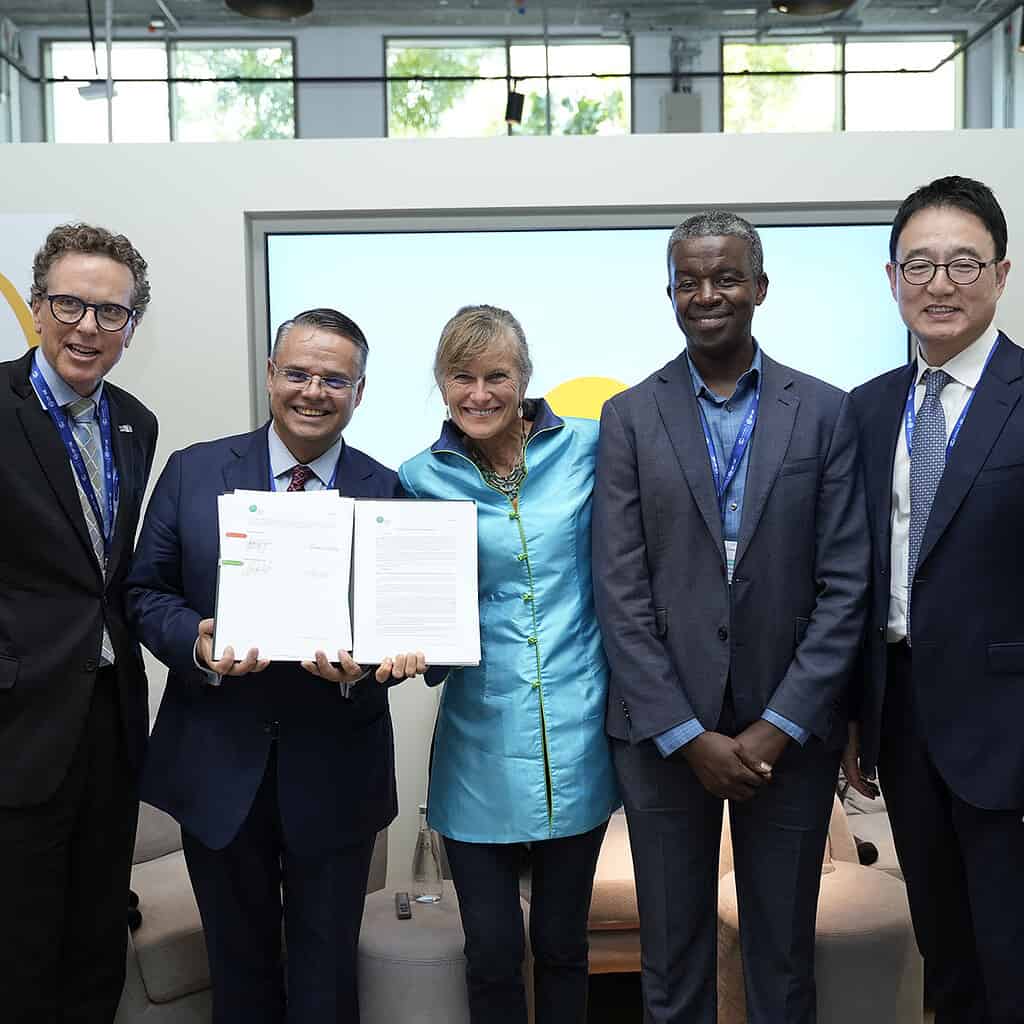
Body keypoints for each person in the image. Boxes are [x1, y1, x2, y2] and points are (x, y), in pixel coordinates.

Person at [593, 212, 869, 1024]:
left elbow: (846, 584)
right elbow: (621, 588)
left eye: (725, 277)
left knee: (783, 966)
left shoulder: (824, 411)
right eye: (689, 279)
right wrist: (685, 731)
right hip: (664, 737)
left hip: (787, 734)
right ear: (670, 290)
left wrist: (781, 723)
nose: (706, 294)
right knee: (671, 968)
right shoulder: (629, 416)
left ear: (759, 287)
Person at [125, 308, 424, 1024]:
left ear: (359, 390)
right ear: (269, 375)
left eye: (334, 378)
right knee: (239, 973)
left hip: (336, 773)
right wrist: (196, 643)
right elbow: (143, 591)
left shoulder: (388, 492)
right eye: (297, 372)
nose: (313, 390)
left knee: (326, 982)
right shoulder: (195, 471)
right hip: (216, 768)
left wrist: (366, 664)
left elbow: (406, 625)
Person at [398, 304, 619, 1024]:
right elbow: (406, 601)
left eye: (497, 375)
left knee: (561, 944)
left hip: (578, 736)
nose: (480, 393)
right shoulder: (418, 477)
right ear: (441, 383)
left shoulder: (589, 447)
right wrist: (398, 644)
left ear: (525, 379)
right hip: (476, 745)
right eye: (462, 376)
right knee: (491, 950)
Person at [844, 176, 1024, 1024]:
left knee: (1014, 962)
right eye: (920, 264)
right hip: (905, 722)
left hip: (1011, 727)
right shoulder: (868, 409)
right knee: (945, 957)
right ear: (891, 279)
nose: (940, 284)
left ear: (1002, 272)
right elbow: (850, 577)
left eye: (962, 262)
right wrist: (856, 714)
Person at [0, 223, 158, 1022]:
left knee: (97, 935)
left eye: (110, 313)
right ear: (35, 307)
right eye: (70, 304)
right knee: (19, 950)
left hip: (108, 716)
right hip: (16, 724)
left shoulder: (136, 421)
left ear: (131, 328)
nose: (87, 328)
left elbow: (109, 575)